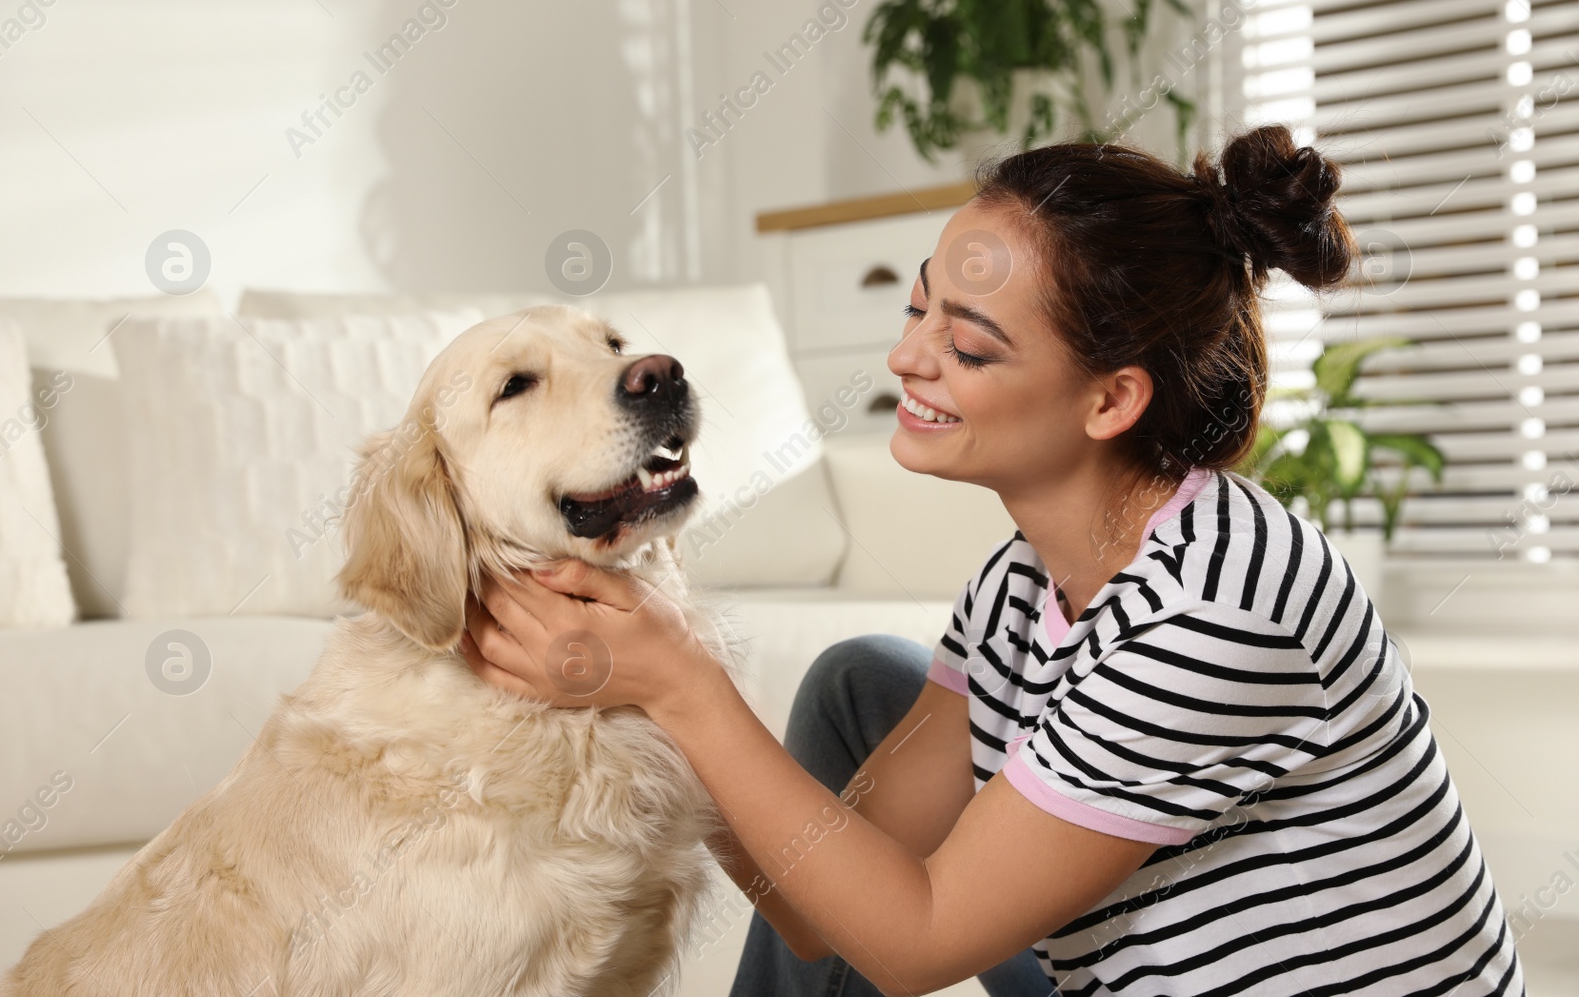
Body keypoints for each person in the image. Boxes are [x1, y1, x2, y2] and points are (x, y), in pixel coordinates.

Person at [460, 124, 1525, 997]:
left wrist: (683, 683)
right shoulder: (1025, 583)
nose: (907, 356)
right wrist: (638, 691)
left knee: (886, 842)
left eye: (968, 346)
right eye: (919, 303)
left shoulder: (1217, 606)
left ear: (1111, 398)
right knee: (858, 683)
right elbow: (812, 909)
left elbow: (911, 941)